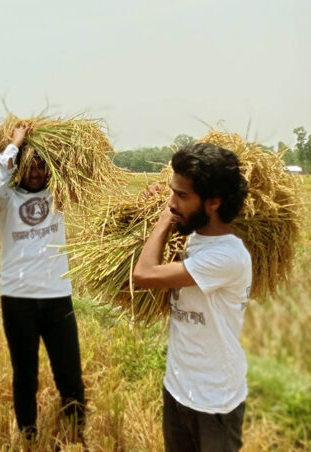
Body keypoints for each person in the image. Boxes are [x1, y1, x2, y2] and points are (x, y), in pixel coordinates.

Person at [132, 143, 251, 452]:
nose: (172, 203)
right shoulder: (194, 235)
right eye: (173, 193)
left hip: (214, 402)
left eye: (182, 196)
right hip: (177, 387)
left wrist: (161, 221)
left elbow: (143, 275)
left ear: (213, 202)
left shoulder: (227, 257)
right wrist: (148, 209)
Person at [0, 126, 86, 440]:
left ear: (49, 168)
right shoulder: (7, 200)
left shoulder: (57, 196)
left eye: (41, 164)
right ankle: (28, 434)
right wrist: (15, 144)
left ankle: (76, 434)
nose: (35, 170)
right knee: (25, 375)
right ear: (19, 166)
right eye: (29, 163)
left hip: (58, 296)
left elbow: (78, 169)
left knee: (69, 373)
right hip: (18, 299)